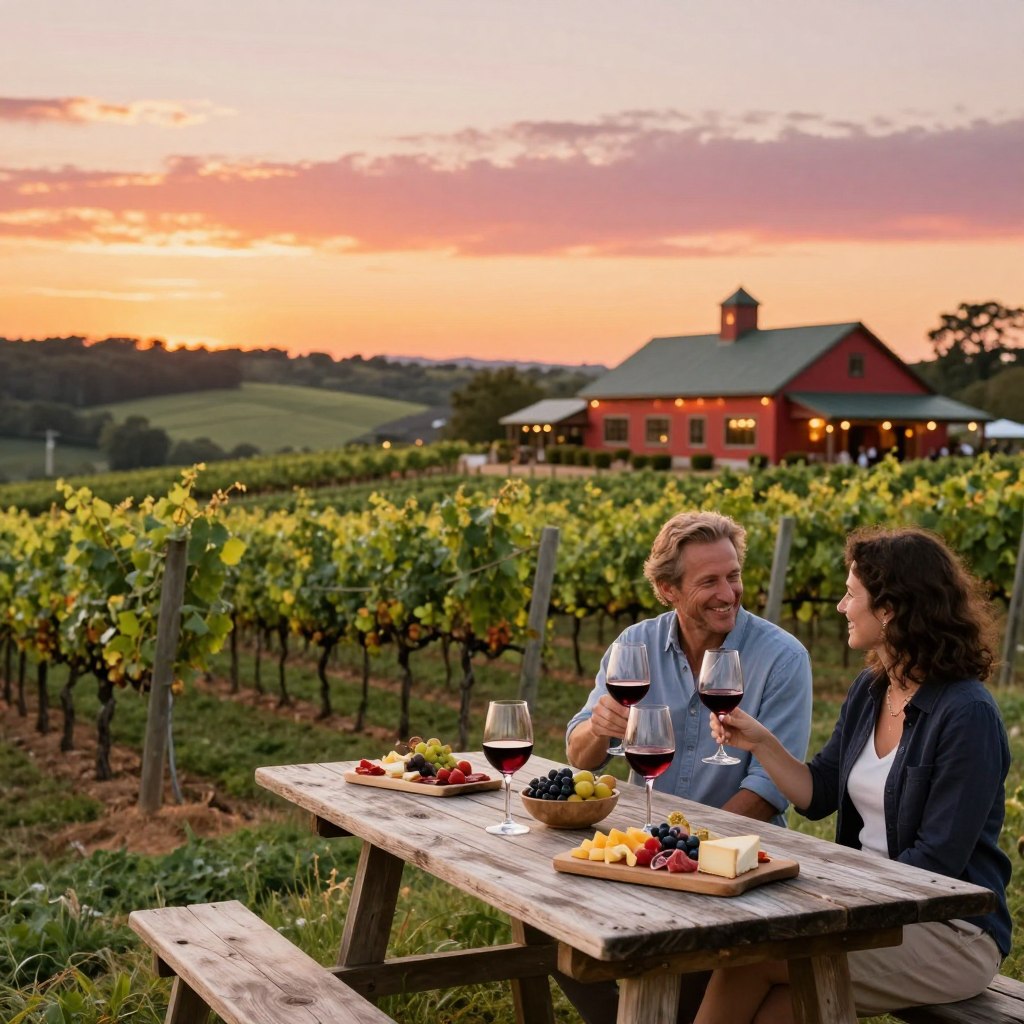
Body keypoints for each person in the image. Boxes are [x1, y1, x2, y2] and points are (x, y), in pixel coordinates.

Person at [695, 526, 1011, 1024]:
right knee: (774, 1003)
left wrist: (835, 904)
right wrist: (759, 741)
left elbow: (936, 864)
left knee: (753, 959)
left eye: (851, 595)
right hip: (871, 909)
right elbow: (817, 793)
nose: (842, 607)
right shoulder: (872, 688)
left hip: (947, 929)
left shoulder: (966, 714)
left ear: (888, 610)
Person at [566, 510, 813, 828]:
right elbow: (579, 756)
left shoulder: (783, 658)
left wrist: (688, 839)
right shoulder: (635, 644)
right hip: (648, 839)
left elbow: (768, 790)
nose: (728, 594)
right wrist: (598, 729)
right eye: (709, 581)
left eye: (733, 576)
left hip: (738, 851)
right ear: (668, 588)